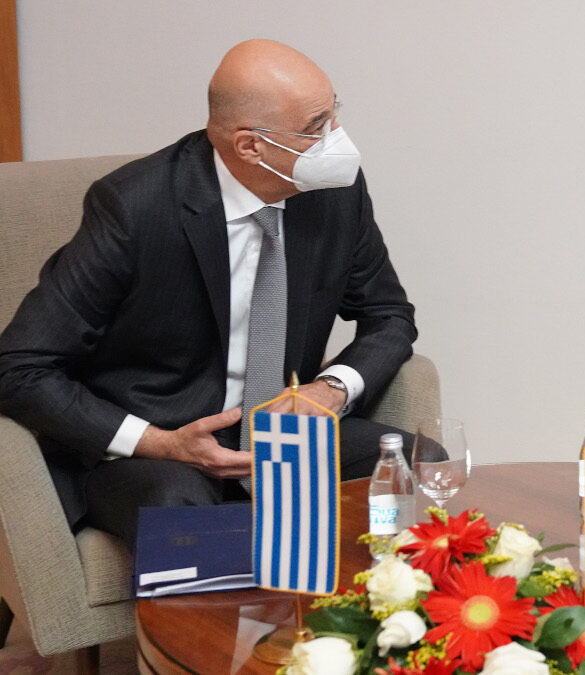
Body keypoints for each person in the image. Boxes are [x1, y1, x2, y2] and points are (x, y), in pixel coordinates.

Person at [0, 40, 418, 546]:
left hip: (281, 437)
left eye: (334, 115)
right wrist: (162, 443)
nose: (337, 140)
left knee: (418, 469)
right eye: (315, 128)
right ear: (250, 146)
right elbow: (19, 367)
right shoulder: (134, 208)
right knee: (182, 515)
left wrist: (331, 388)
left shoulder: (335, 193)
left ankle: (363, 601)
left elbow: (389, 315)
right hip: (157, 445)